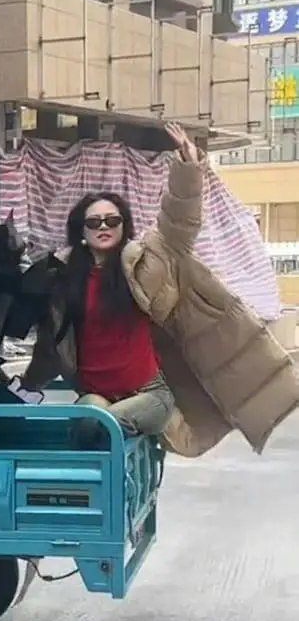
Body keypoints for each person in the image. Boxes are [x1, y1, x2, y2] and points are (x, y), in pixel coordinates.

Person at [22, 122, 299, 456]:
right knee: (88, 422)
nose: (104, 227)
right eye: (94, 222)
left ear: (124, 226)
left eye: (113, 220)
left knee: (105, 425)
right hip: (98, 394)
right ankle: (98, 503)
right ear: (82, 231)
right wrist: (26, 387)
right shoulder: (63, 280)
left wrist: (187, 166)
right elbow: (50, 347)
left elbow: (179, 222)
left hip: (150, 395)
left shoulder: (143, 263)